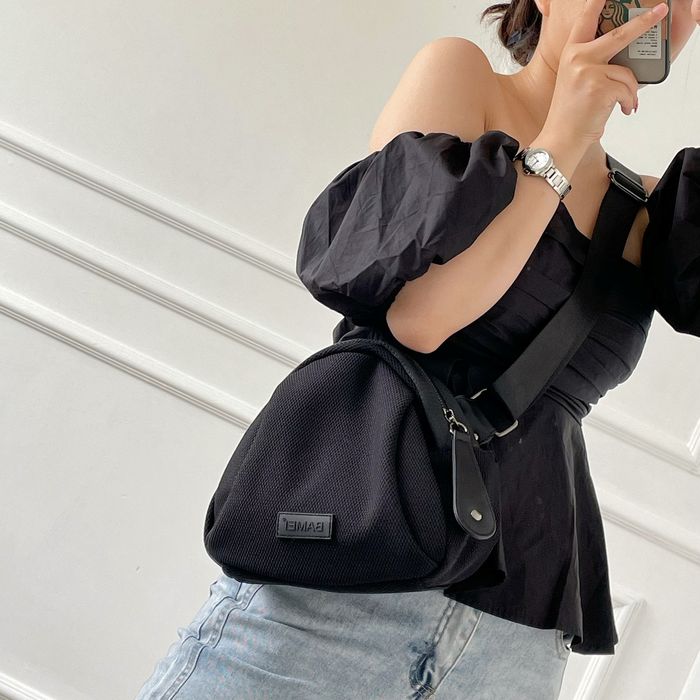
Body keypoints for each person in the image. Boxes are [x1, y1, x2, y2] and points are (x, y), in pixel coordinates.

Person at [135, 1, 700, 698]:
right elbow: (423, 318)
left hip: (512, 639)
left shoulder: (652, 211)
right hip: (341, 591)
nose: (657, 8)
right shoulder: (463, 80)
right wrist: (562, 141)